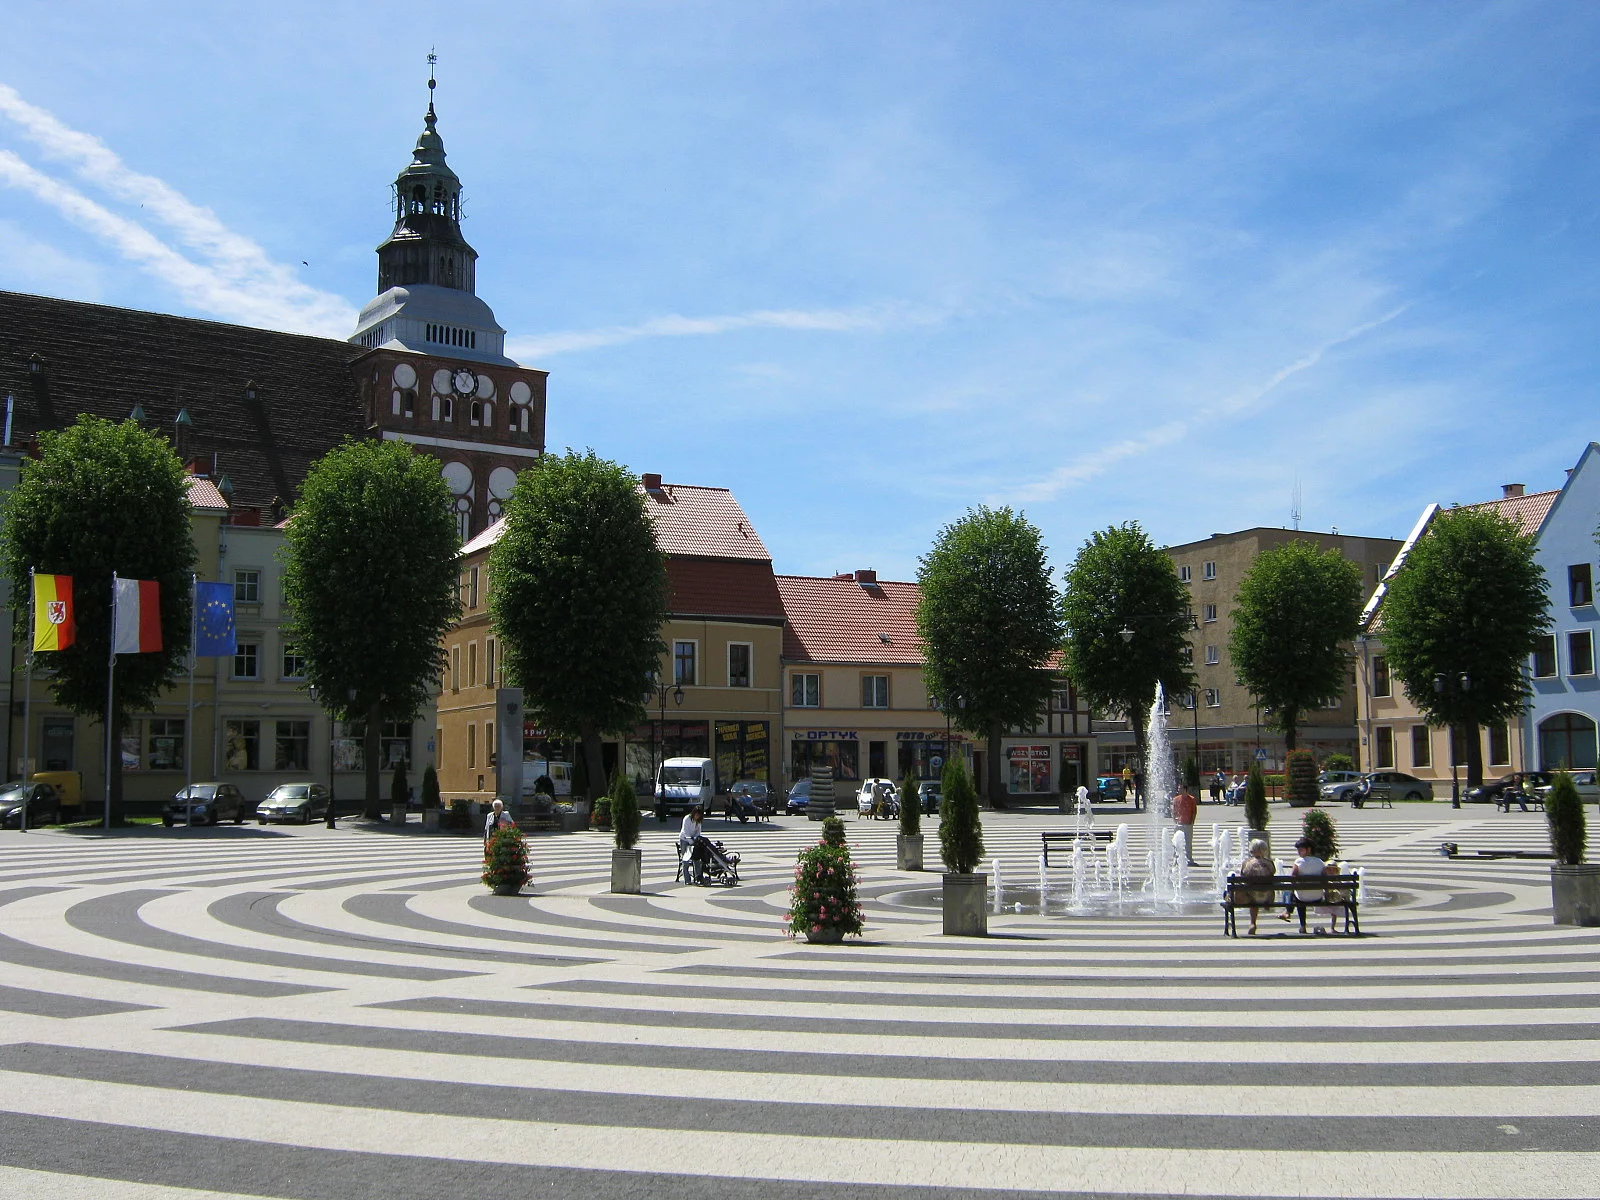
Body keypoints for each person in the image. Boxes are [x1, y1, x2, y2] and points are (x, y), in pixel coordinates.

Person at [1280, 836, 1326, 931]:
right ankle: (1288, 913)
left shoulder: (1298, 862)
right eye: (1298, 850)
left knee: (1293, 893)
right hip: (1318, 897)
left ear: (1308, 849)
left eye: (1301, 850)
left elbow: (1293, 877)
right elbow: (1324, 879)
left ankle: (1299, 923)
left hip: (1302, 898)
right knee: (1297, 893)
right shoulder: (1320, 862)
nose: (1299, 852)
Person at [1239, 838, 1276, 934]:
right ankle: (1266, 905)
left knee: (1252, 893)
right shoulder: (1270, 863)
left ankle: (1252, 923)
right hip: (1267, 896)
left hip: (1252, 896)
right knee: (1262, 889)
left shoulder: (1246, 863)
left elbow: (1242, 876)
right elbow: (1272, 873)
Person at [678, 806, 707, 883]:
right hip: (684, 839)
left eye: (699, 815)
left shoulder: (698, 821)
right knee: (686, 859)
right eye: (696, 815)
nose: (697, 817)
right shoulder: (687, 819)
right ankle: (687, 879)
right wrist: (691, 842)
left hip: (693, 839)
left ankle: (698, 876)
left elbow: (698, 832)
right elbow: (685, 832)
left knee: (696, 859)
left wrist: (696, 840)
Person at [1171, 786, 1198, 865]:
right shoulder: (1176, 799)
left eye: (1181, 789)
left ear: (1185, 790)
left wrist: (1192, 821)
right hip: (1179, 823)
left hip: (1188, 823)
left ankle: (1189, 858)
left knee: (1188, 842)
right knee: (1176, 842)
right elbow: (1173, 811)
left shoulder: (1191, 799)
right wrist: (1175, 820)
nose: (1179, 790)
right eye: (1179, 789)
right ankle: (1176, 859)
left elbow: (1194, 811)